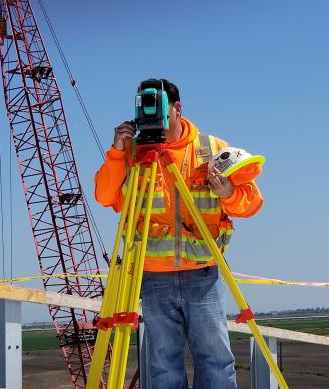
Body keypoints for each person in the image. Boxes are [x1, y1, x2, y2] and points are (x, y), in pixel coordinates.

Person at [94, 79, 263, 389]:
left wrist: (227, 192)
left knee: (215, 360)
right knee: (163, 364)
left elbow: (251, 203)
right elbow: (105, 196)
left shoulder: (211, 149)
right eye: (144, 106)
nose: (150, 114)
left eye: (156, 106)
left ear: (177, 108)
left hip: (203, 274)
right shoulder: (132, 154)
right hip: (153, 277)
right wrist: (117, 152)